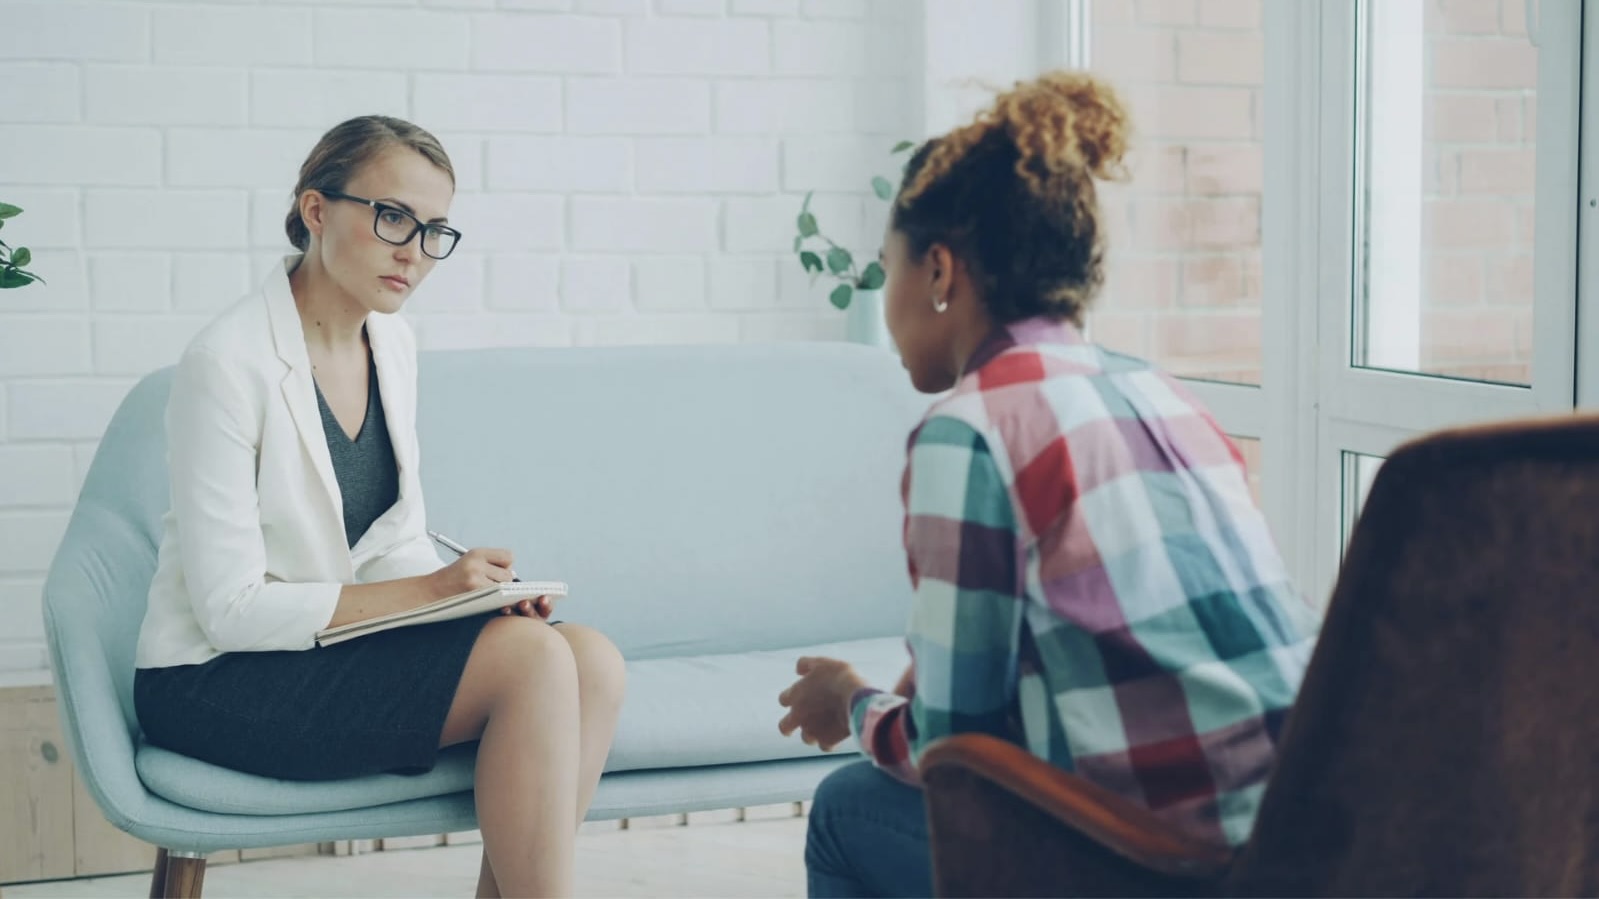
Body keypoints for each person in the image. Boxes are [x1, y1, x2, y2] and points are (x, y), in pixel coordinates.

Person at [777, 71, 1320, 898]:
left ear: (938, 271)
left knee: (846, 808)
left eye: (886, 267)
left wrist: (849, 700)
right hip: (1311, 836)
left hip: (1167, 865)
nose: (884, 302)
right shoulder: (1157, 392)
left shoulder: (973, 427)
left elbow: (954, 757)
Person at [134, 115, 626, 898]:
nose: (415, 252)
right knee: (535, 661)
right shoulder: (224, 365)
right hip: (219, 678)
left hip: (324, 653)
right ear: (317, 210)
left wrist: (476, 603)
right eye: (393, 217)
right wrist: (435, 592)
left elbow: (393, 541)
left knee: (590, 658)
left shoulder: (391, 344)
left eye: (434, 230)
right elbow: (228, 610)